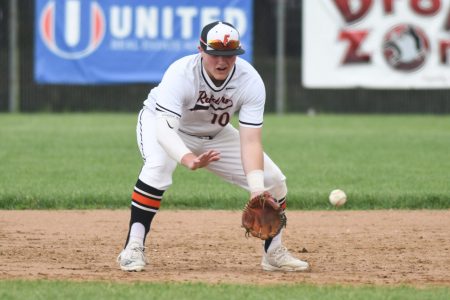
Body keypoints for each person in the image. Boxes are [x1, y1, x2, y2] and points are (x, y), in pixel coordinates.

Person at [117, 21, 309, 272]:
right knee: (159, 165)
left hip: (216, 134)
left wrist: (256, 190)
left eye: (229, 55)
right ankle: (133, 246)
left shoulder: (249, 80)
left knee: (273, 181)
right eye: (215, 54)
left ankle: (273, 253)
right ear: (201, 50)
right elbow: (164, 130)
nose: (222, 61)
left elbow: (250, 139)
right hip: (165, 126)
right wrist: (186, 158)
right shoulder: (181, 73)